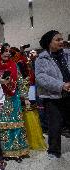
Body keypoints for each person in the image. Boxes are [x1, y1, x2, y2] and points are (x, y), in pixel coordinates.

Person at [0, 43, 29, 162]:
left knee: (16, 124)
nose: (7, 53)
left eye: (8, 51)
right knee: (1, 126)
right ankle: (4, 151)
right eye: (4, 51)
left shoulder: (14, 65)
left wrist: (25, 97)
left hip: (14, 98)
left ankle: (17, 151)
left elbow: (20, 80)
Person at [35, 30, 70, 159]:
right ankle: (54, 151)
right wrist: (61, 85)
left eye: (62, 39)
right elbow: (41, 77)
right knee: (54, 124)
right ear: (49, 43)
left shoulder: (67, 55)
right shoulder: (42, 59)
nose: (61, 42)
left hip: (69, 94)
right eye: (57, 40)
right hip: (52, 97)